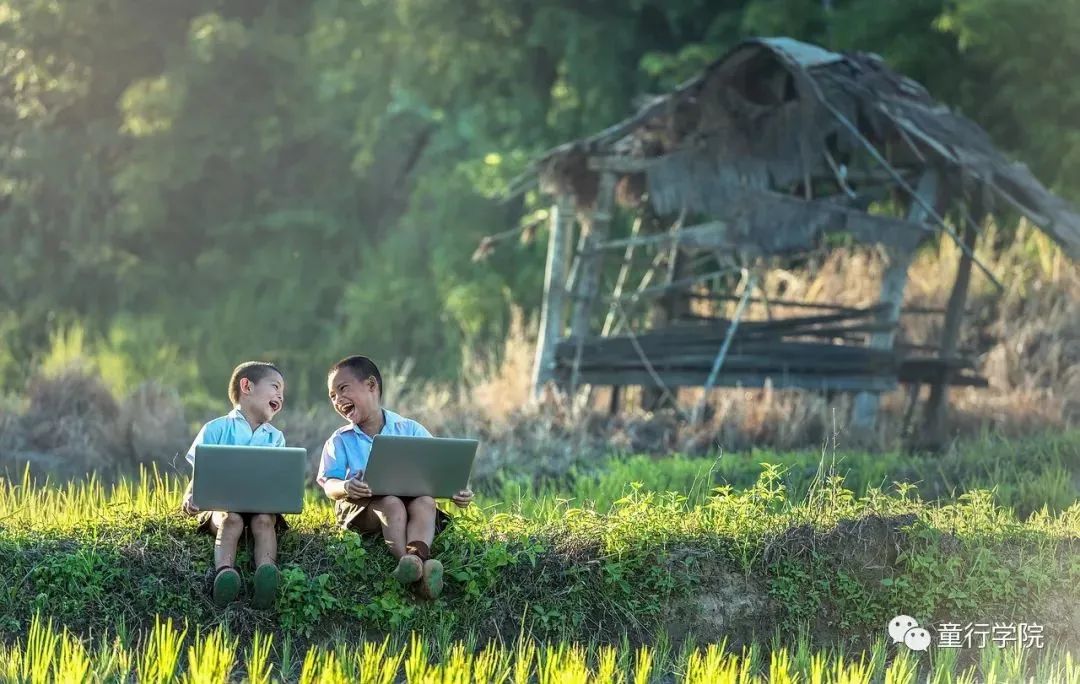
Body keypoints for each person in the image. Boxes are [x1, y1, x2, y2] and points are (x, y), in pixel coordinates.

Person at [317, 355, 473, 599]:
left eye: (343, 389)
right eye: (332, 396)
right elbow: (329, 483)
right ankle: (407, 562)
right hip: (363, 508)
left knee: (425, 502)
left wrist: (457, 491)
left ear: (371, 385)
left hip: (408, 502)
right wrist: (347, 486)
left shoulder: (408, 428)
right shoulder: (340, 439)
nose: (337, 399)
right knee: (391, 503)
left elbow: (439, 466)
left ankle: (415, 559)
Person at [180, 361, 287, 608]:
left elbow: (277, 479)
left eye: (282, 391)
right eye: (275, 387)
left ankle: (266, 574)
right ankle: (225, 573)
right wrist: (190, 497)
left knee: (264, 520)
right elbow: (200, 474)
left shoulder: (275, 437)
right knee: (232, 520)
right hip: (222, 506)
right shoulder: (216, 428)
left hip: (261, 506)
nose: (280, 395)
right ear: (246, 386)